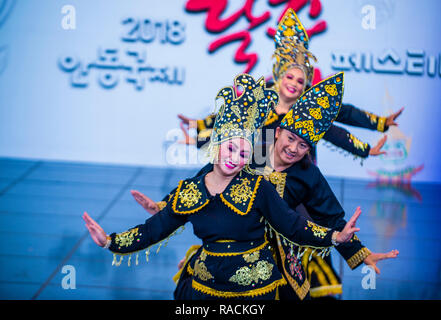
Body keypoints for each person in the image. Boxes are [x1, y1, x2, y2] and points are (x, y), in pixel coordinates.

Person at [83, 73, 362, 300]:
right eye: (229, 149)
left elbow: (293, 225)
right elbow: (152, 230)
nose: (235, 158)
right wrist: (110, 241)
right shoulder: (191, 191)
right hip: (206, 288)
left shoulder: (259, 188)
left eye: (243, 154)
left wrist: (338, 238)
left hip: (257, 290)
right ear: (215, 148)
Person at [177, 9, 404, 163]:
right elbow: (233, 118)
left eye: (300, 79)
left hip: (298, 173)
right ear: (280, 73)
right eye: (289, 76)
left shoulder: (311, 103)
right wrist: (199, 130)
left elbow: (341, 122)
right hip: (259, 169)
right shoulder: (261, 94)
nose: (294, 83)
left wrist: (378, 126)